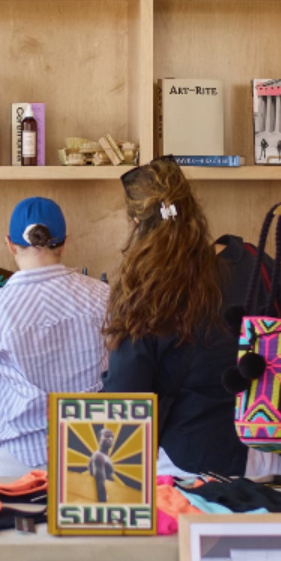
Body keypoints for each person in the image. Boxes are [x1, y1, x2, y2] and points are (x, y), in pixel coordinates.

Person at [102, 158, 247, 479]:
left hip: (190, 462)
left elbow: (126, 396)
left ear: (137, 224)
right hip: (268, 452)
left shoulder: (147, 289)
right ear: (192, 206)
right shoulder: (254, 261)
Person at [0, 195, 109, 475]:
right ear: (64, 244)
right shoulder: (104, 297)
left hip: (19, 462)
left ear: (10, 244)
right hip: (95, 457)